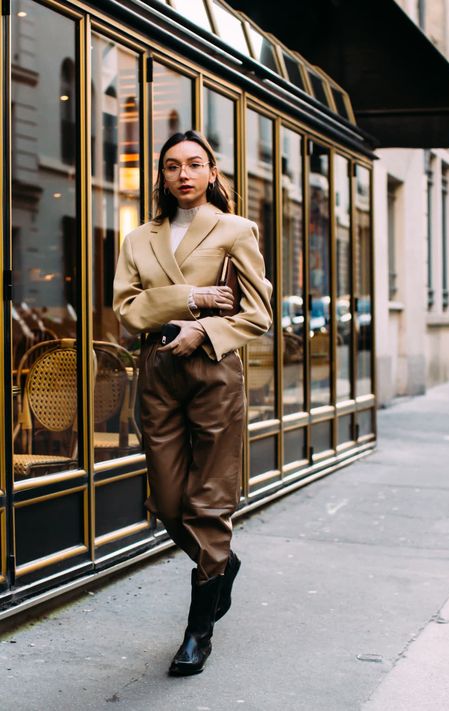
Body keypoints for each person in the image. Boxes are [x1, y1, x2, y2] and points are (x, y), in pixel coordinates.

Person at [113, 130, 272, 676]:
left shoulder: (234, 230)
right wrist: (192, 298)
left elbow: (259, 314)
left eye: (194, 164)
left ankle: (197, 633)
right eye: (171, 165)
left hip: (212, 371)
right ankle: (221, 563)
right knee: (167, 499)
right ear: (160, 175)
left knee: (208, 501)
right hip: (158, 372)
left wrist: (202, 329)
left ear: (211, 173)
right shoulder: (138, 239)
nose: (183, 174)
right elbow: (128, 311)